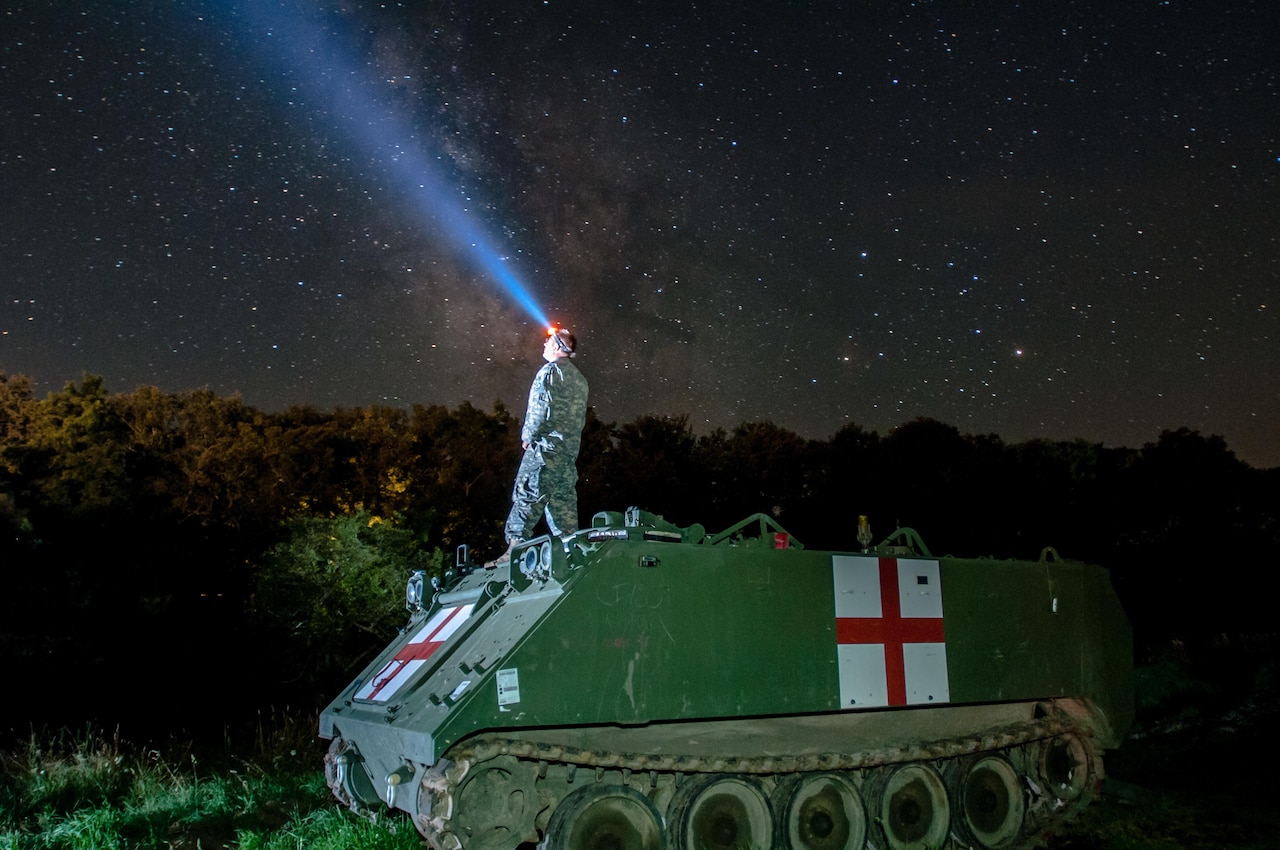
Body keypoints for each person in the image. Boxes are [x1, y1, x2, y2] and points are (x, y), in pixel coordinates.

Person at [493, 327, 589, 565]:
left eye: (548, 342)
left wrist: (528, 435)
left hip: (546, 449)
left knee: (528, 494)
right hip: (567, 454)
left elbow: (539, 409)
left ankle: (513, 552)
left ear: (558, 347)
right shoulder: (580, 380)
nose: (544, 345)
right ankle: (571, 554)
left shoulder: (549, 371)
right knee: (563, 502)